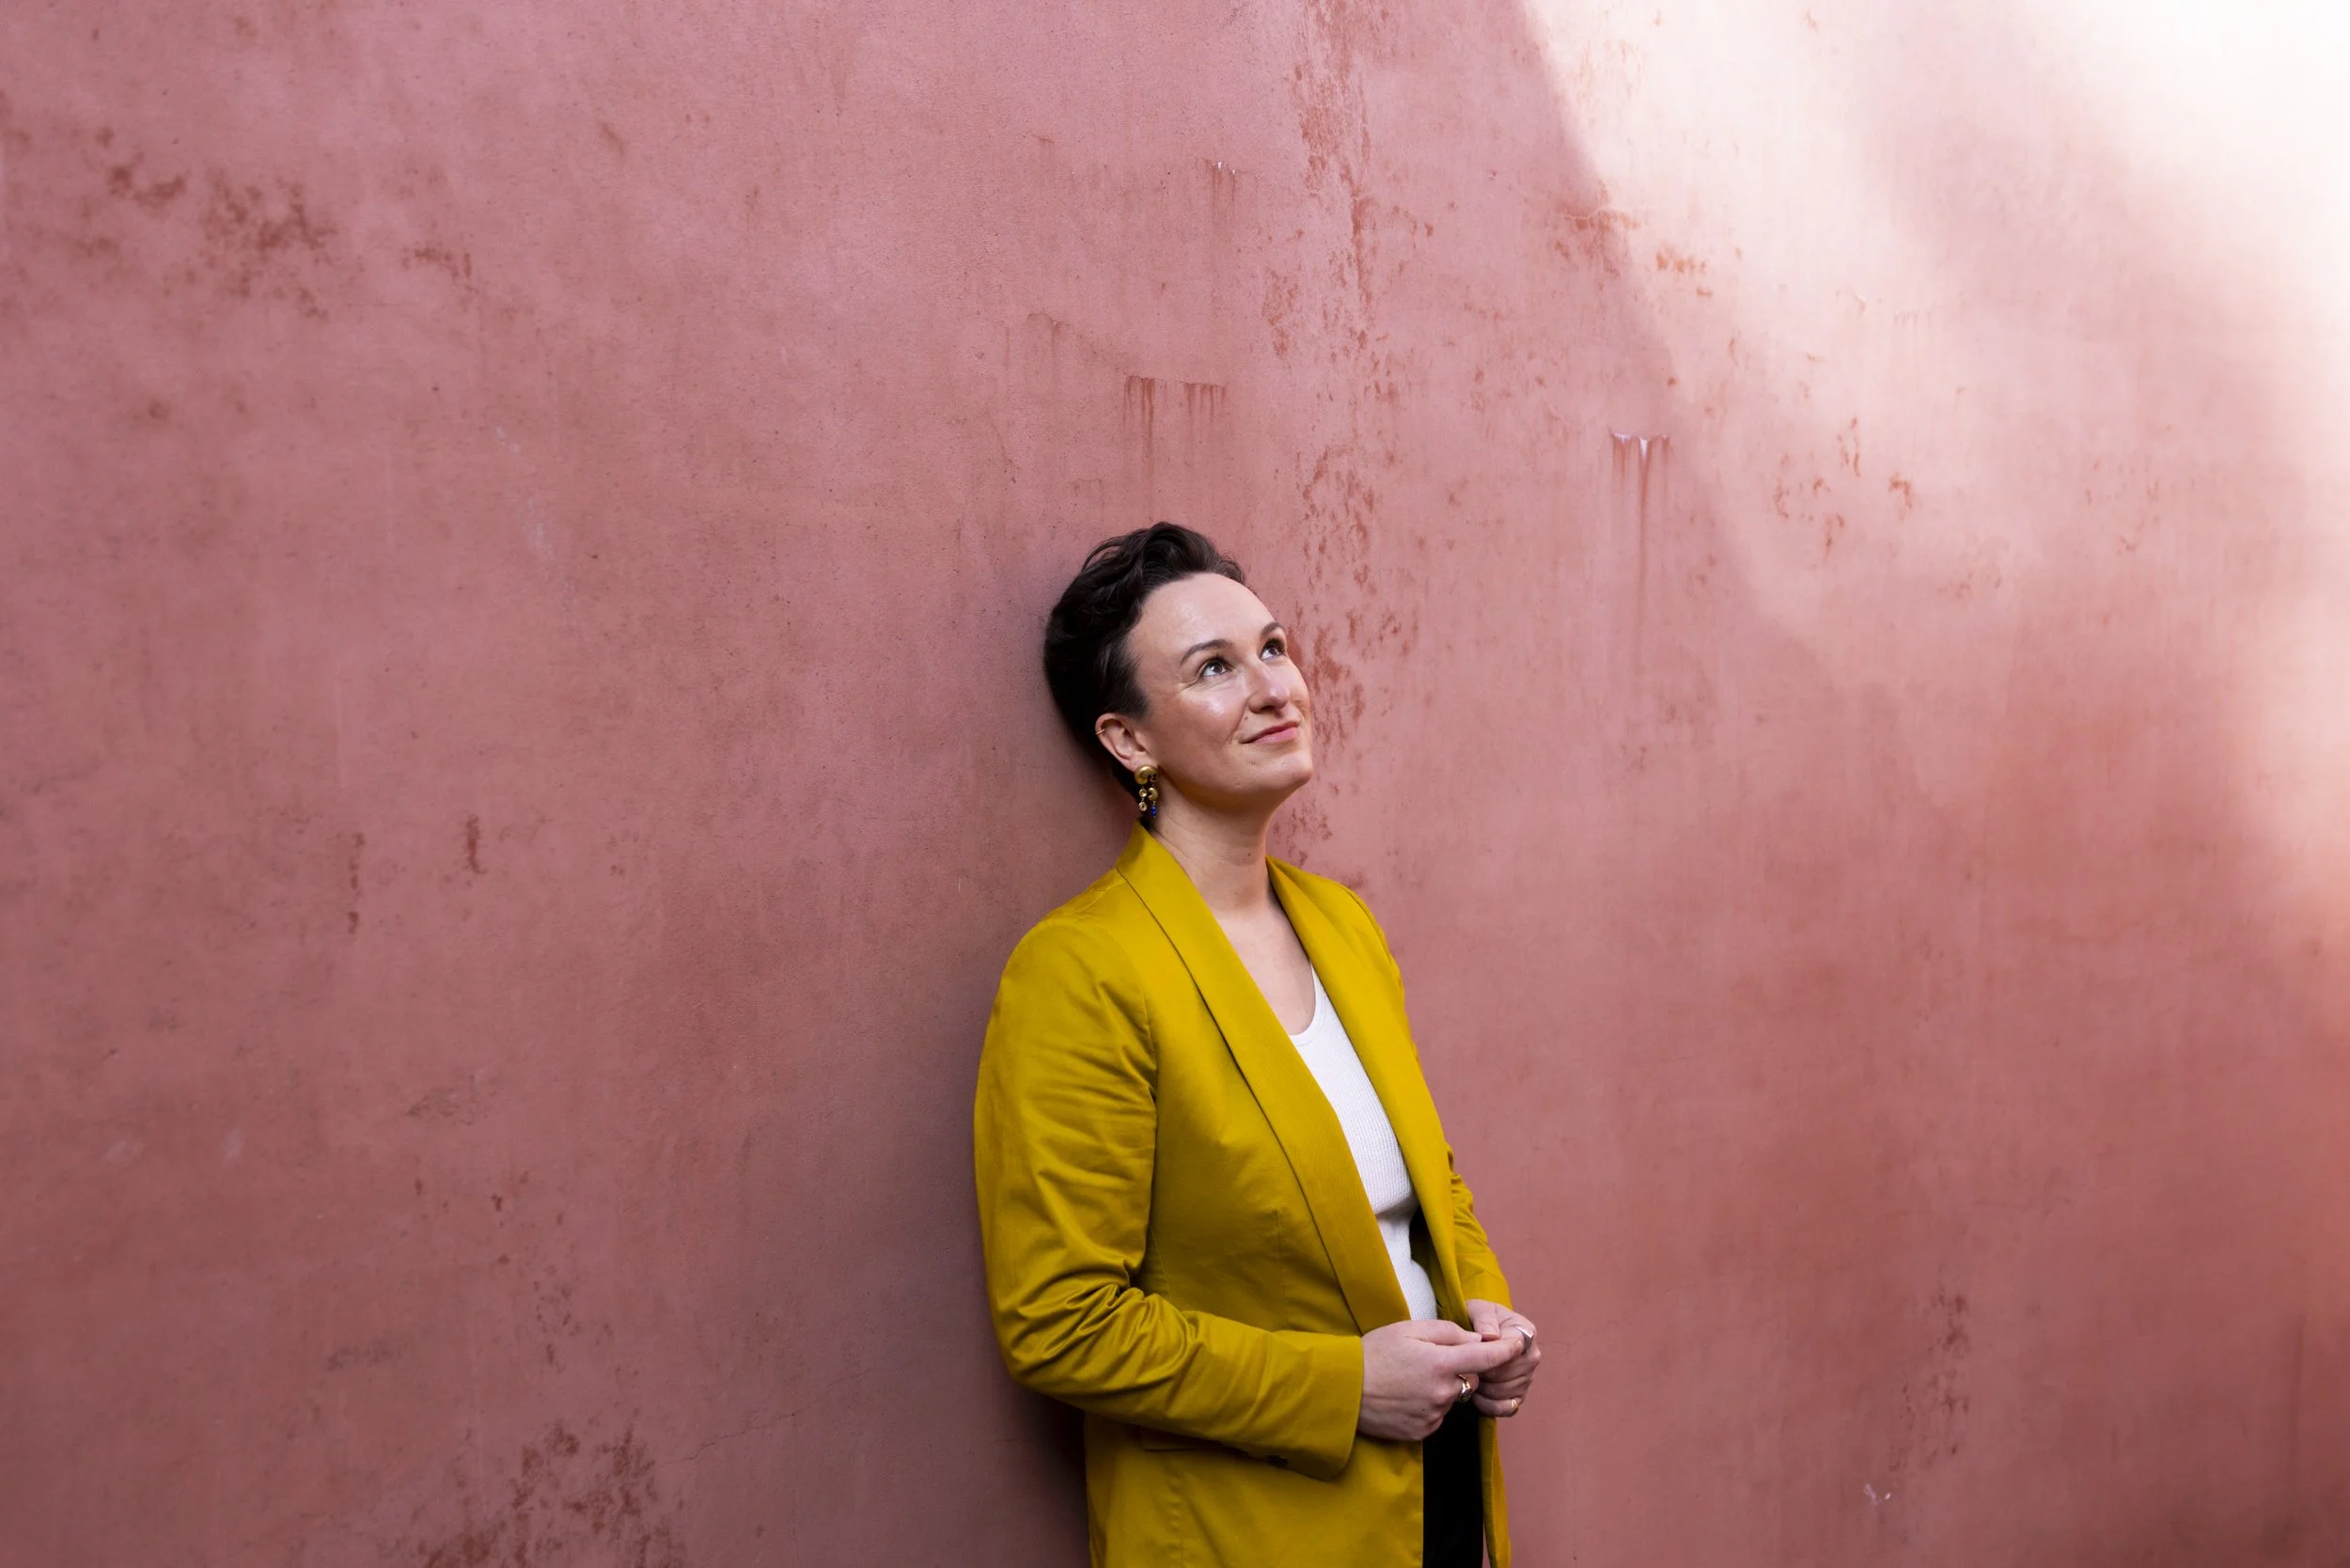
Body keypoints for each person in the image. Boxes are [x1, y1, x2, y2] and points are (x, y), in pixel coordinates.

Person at [974, 524, 1541, 1567]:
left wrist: (1484, 1309)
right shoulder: (1084, 970)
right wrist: (1342, 1388)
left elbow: (1429, 1183)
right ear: (1130, 742)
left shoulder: (1340, 925)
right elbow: (1061, 1322)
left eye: (1273, 648)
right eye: (1214, 669)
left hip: (1438, 1489)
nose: (1276, 688)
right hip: (1250, 1529)